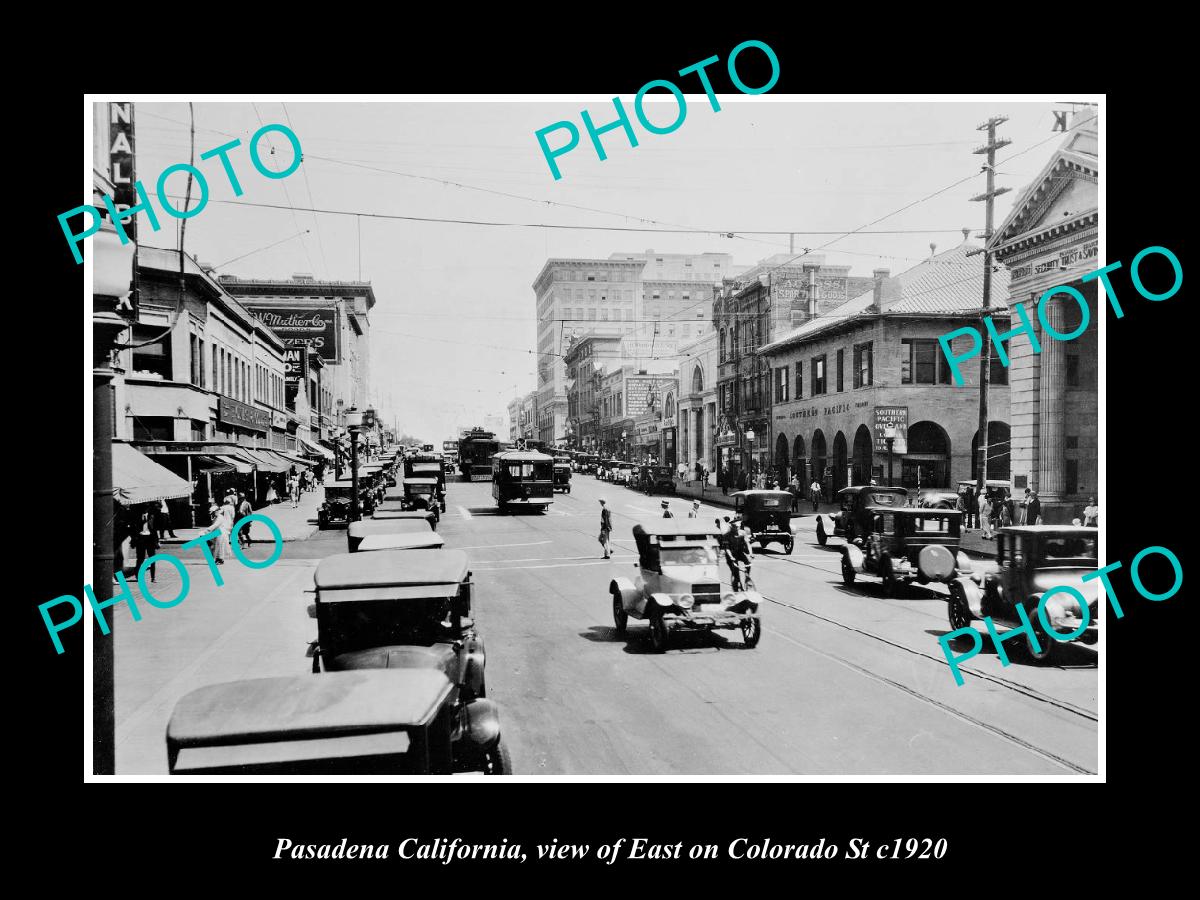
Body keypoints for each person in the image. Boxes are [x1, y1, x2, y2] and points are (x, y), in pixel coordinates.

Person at [134, 504, 160, 583]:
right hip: (141, 538)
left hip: (150, 538)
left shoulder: (152, 517)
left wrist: (157, 541)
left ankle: (153, 577)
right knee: (140, 559)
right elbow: (134, 528)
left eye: (146, 509)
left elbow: (154, 529)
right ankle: (137, 575)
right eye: (144, 509)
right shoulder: (137, 517)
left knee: (152, 559)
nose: (145, 510)